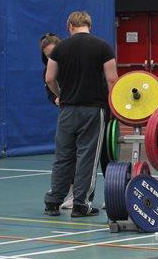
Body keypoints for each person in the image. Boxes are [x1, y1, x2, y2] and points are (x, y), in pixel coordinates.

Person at [43, 11, 119, 217]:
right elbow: (112, 79)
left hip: (67, 110)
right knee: (87, 157)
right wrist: (115, 107)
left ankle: (53, 201)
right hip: (93, 110)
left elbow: (49, 79)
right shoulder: (103, 47)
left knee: (63, 156)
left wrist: (61, 96)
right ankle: (80, 204)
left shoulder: (59, 48)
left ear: (70, 26)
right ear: (89, 25)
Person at [41, 33, 75, 211]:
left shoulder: (73, 65)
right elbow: (50, 90)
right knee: (66, 155)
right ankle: (66, 193)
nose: (51, 57)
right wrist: (56, 98)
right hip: (66, 114)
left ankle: (81, 195)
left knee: (86, 156)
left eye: (53, 53)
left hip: (83, 111)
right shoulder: (47, 71)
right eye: (47, 55)